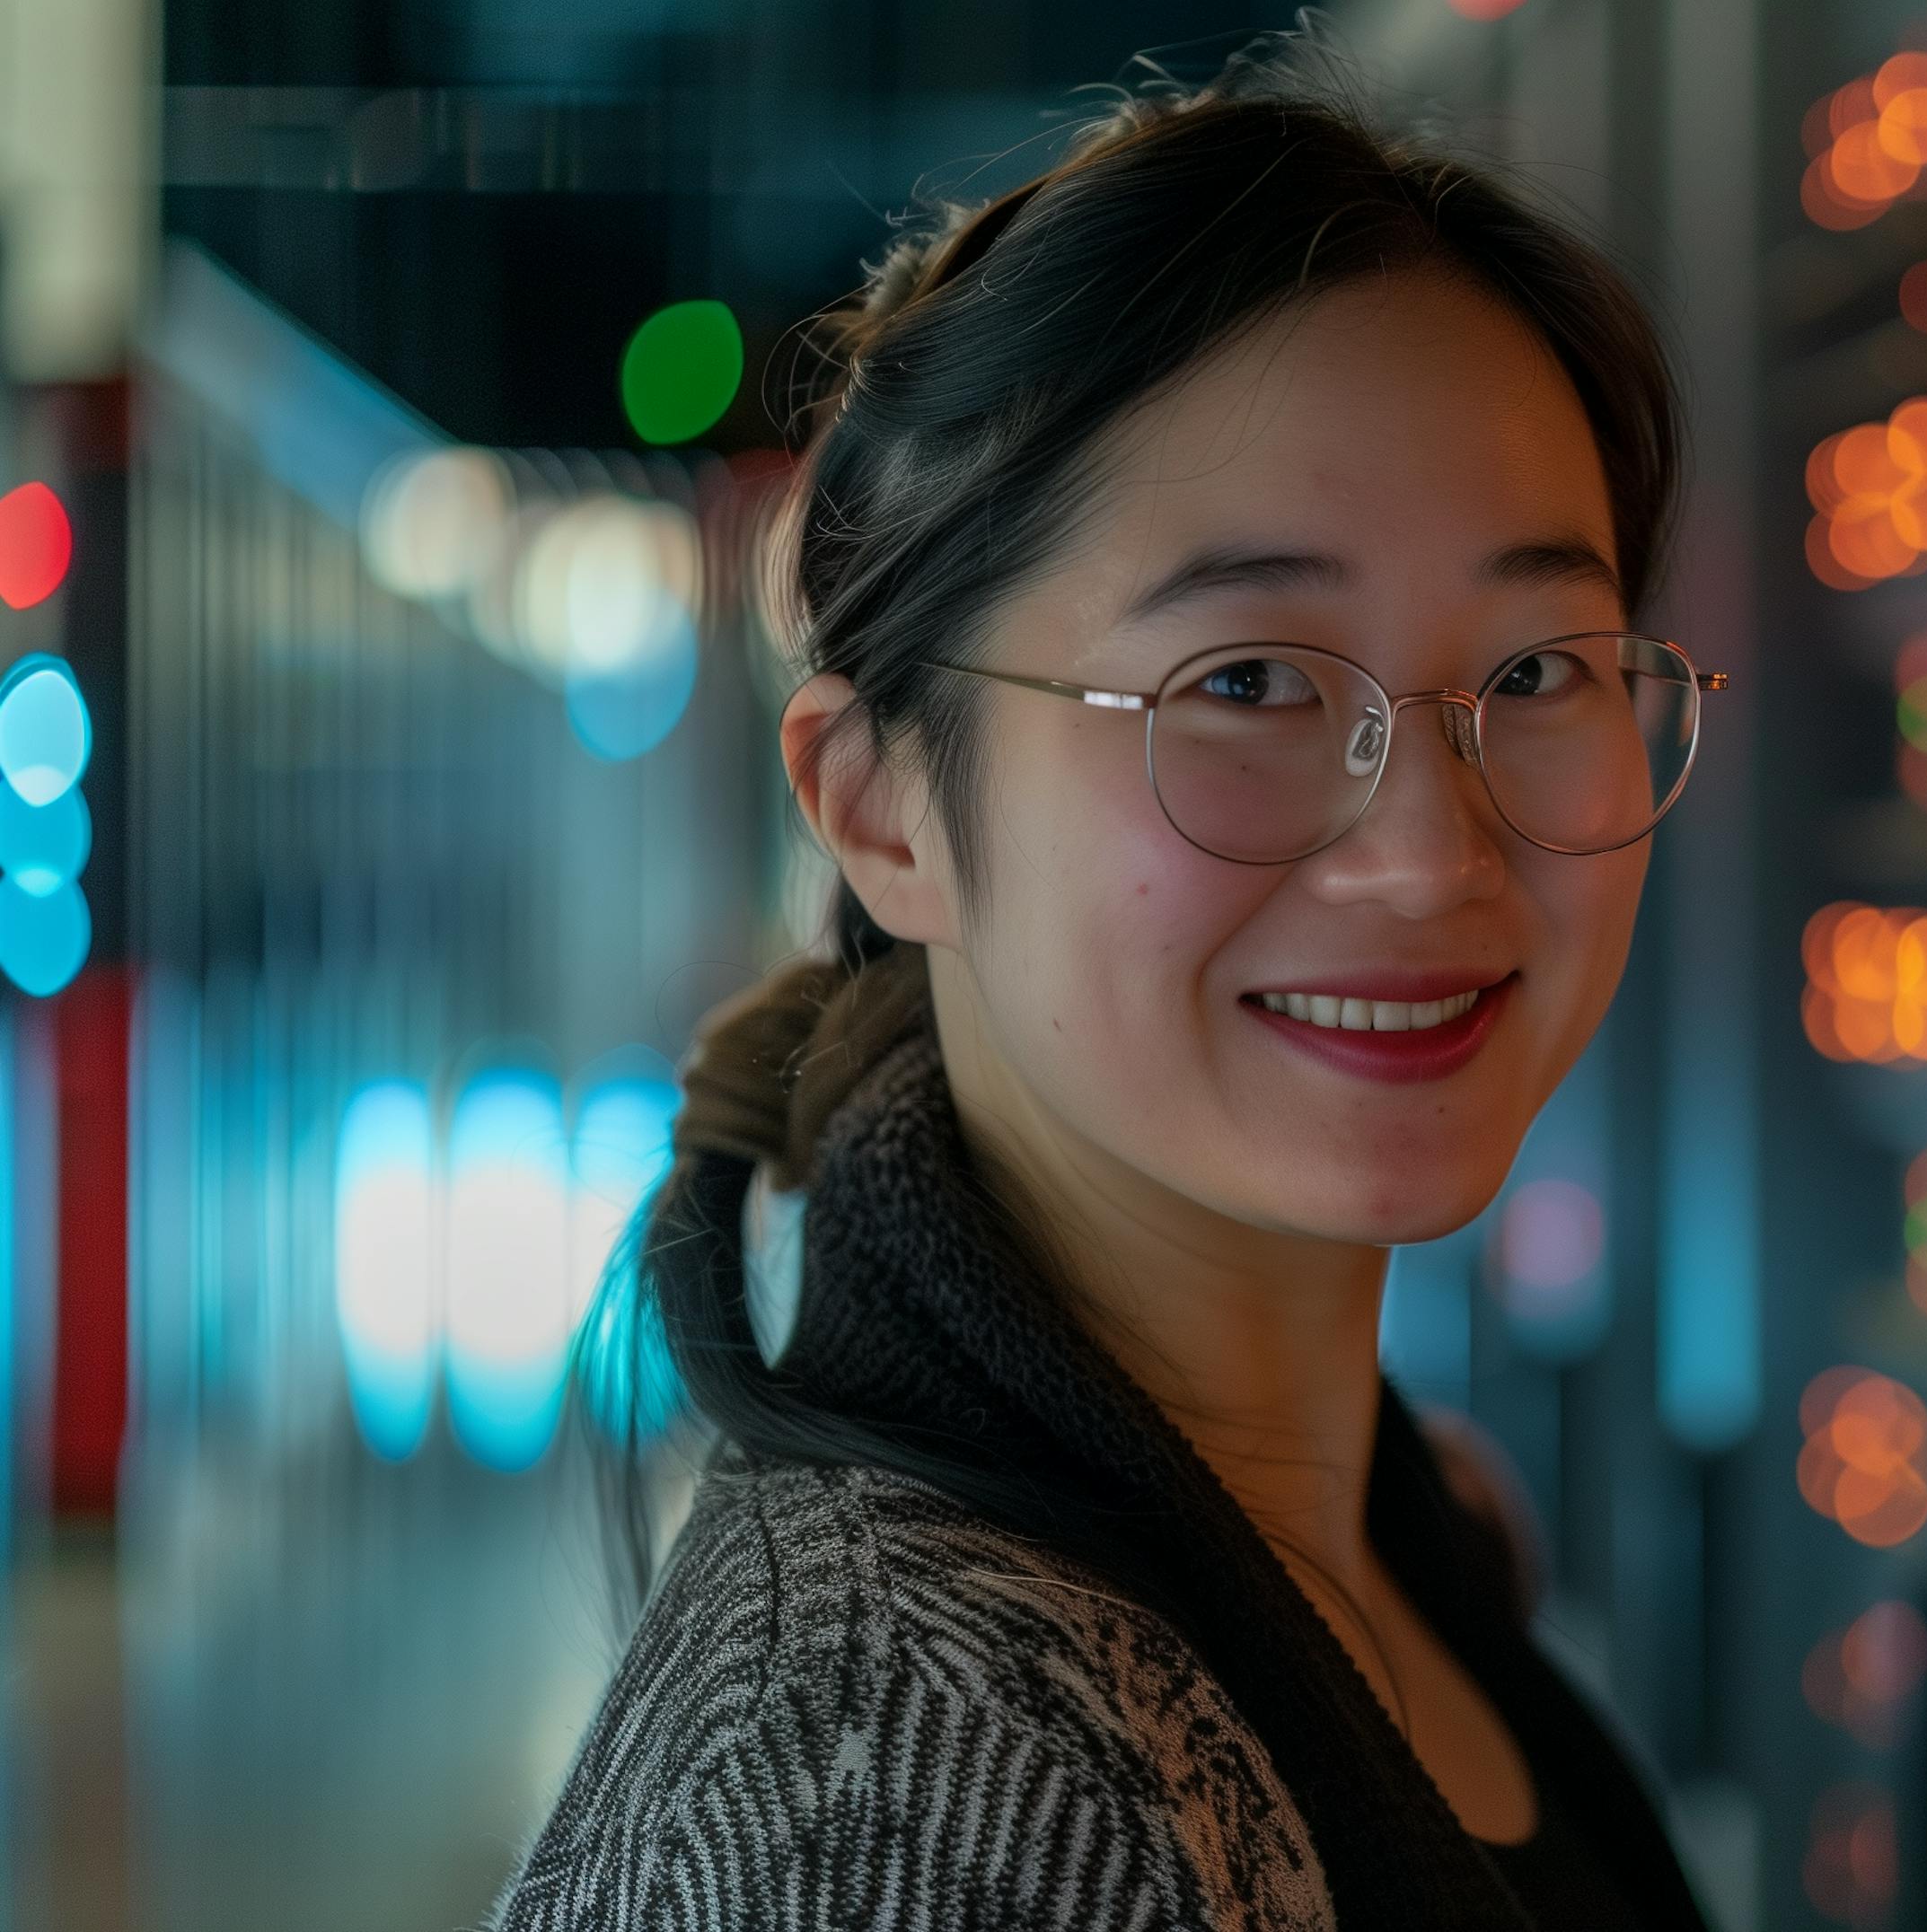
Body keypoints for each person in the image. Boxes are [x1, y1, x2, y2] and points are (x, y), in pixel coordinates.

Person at [496, 53, 1716, 1932]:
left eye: (1542, 668)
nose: (1429, 853)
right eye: (1244, 682)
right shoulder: (888, 1798)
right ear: (880, 807)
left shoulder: (1389, 1530)